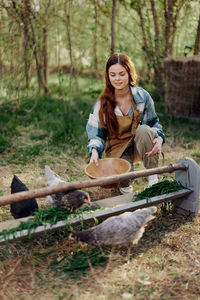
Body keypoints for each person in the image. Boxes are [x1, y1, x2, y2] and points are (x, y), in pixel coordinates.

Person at [86, 53, 165, 194]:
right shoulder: (102, 103)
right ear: (108, 76)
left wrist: (159, 138)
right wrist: (94, 151)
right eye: (113, 74)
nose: (117, 79)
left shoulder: (142, 97)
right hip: (118, 146)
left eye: (122, 74)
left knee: (144, 130)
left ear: (129, 73)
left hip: (139, 141)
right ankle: (126, 189)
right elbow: (96, 133)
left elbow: (154, 124)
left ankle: (153, 177)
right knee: (123, 176)